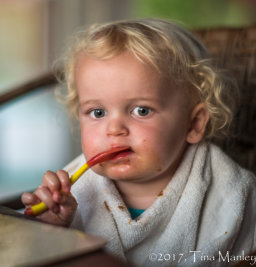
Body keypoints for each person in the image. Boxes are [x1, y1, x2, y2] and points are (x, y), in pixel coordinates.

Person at [21, 18, 256, 266]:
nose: (114, 129)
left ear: (194, 123)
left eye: (141, 111)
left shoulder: (231, 193)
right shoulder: (70, 192)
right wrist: (51, 231)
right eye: (98, 113)